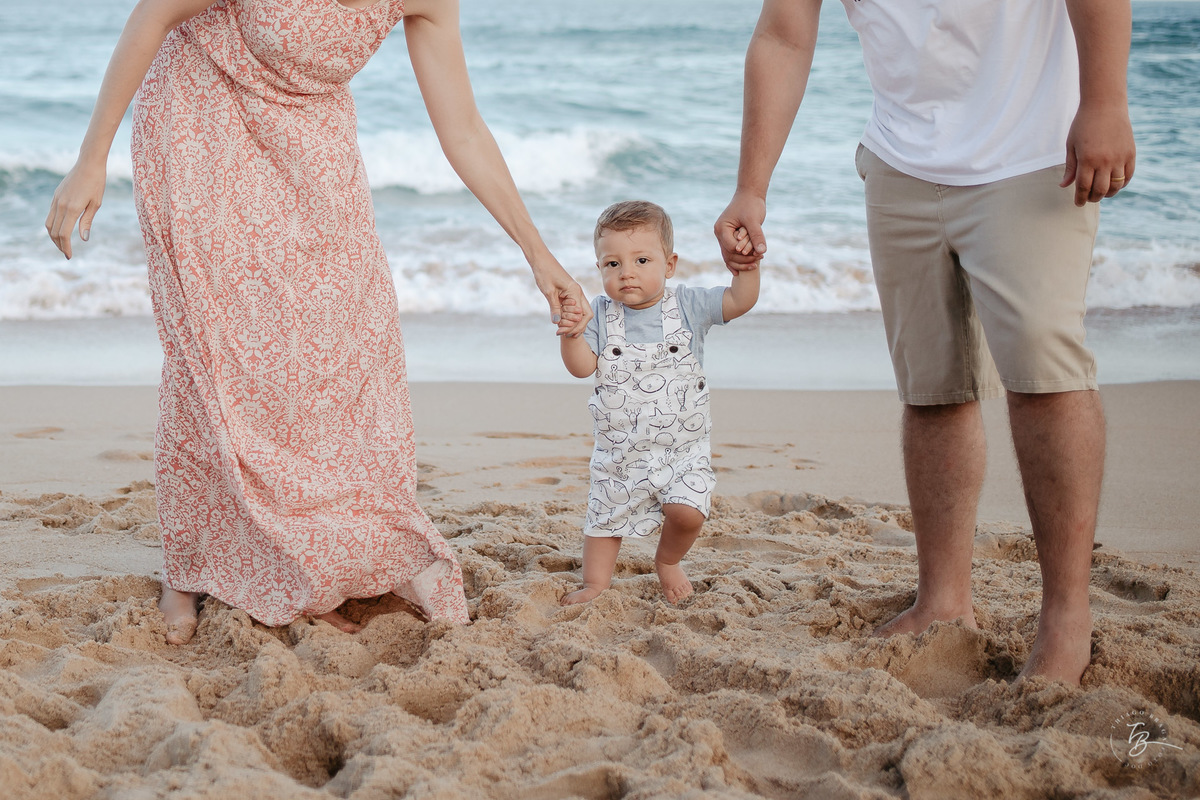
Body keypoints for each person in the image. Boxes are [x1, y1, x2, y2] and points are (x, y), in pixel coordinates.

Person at [45, 0, 589, 644]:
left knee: (344, 339)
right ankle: (187, 564)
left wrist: (537, 253)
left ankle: (316, 546)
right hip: (200, 121)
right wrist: (92, 157)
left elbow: (463, 129)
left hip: (312, 140)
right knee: (222, 345)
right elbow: (154, 12)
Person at [715, 0, 1135, 685]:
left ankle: (1066, 617)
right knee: (933, 384)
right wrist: (751, 189)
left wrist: (1106, 101)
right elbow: (784, 33)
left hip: (1033, 155)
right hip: (900, 161)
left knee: (1044, 374)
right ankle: (944, 602)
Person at [560, 201, 759, 605]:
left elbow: (740, 302)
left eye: (641, 260)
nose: (626, 272)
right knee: (604, 522)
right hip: (620, 453)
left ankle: (668, 561)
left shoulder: (688, 306)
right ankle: (596, 584)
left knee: (689, 513)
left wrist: (747, 269)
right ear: (598, 269)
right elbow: (582, 368)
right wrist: (571, 334)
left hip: (682, 452)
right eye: (611, 264)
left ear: (669, 265)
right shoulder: (599, 314)